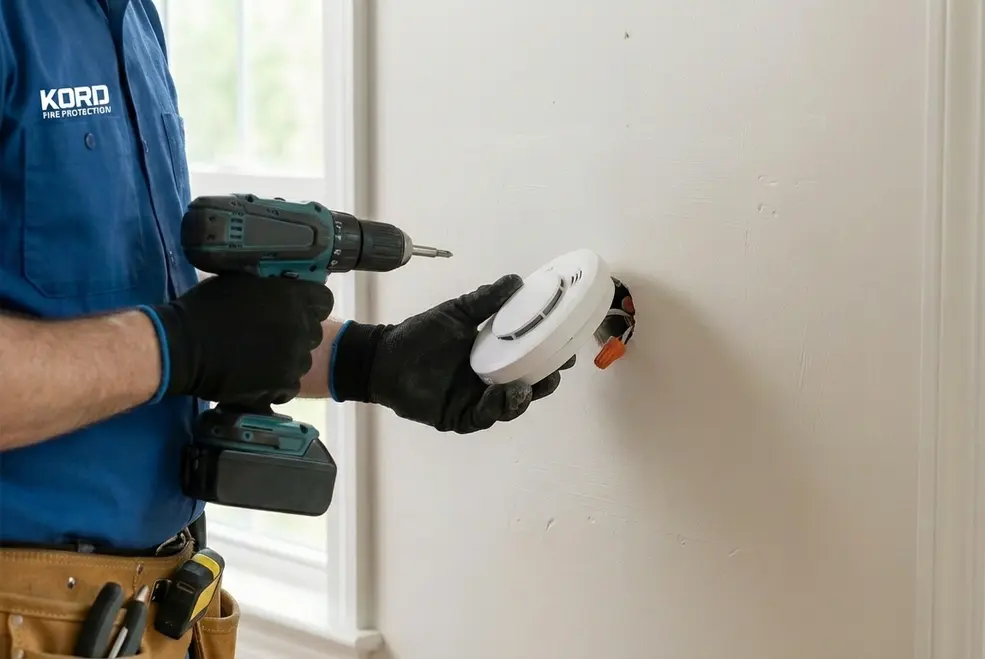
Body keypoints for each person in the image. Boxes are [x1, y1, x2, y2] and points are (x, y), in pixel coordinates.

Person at [0, 2, 571, 657]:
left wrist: (371, 359)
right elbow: (180, 341)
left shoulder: (132, 20)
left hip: (157, 612)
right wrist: (181, 345)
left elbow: (145, 316)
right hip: (25, 617)